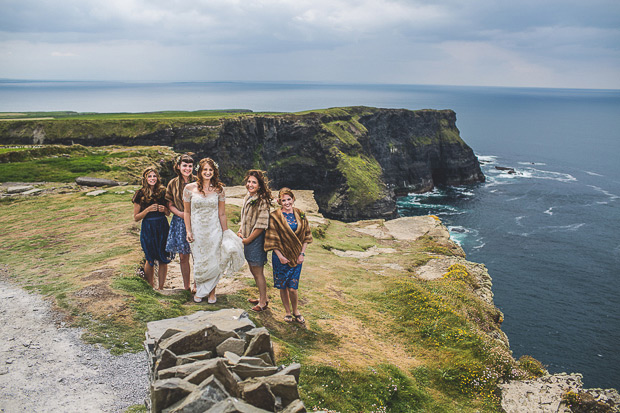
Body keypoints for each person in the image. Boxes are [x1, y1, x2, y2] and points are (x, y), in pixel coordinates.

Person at [183, 158, 244, 303]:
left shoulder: (219, 190)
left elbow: (222, 213)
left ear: (214, 171)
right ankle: (200, 290)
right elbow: (187, 212)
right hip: (197, 231)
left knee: (214, 260)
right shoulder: (189, 189)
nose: (208, 172)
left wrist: (226, 232)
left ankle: (211, 292)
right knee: (199, 260)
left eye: (210, 170)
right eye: (205, 170)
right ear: (200, 171)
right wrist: (188, 231)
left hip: (214, 229)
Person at [264, 188, 313, 323]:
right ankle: (287, 312)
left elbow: (306, 236)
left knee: (293, 288)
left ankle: (296, 310)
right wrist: (280, 256)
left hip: (297, 256)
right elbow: (272, 238)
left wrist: (302, 254)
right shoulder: (275, 216)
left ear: (293, 199)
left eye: (289, 199)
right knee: (283, 286)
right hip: (280, 257)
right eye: (283, 200)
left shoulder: (300, 214)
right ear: (279, 201)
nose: (286, 203)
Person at [237, 170, 272, 312]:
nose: (250, 185)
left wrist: (248, 240)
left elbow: (260, 226)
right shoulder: (248, 196)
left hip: (256, 241)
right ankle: (262, 296)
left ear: (259, 185)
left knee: (258, 272)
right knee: (253, 269)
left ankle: (263, 302)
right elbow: (245, 218)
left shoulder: (262, 200)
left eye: (254, 182)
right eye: (249, 181)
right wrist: (240, 230)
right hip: (247, 238)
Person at [132, 167, 172, 289]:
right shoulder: (140, 194)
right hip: (148, 227)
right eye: (149, 176)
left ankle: (161, 287)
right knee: (149, 257)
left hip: (162, 226)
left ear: (157, 178)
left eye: (154, 176)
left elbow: (168, 213)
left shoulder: (163, 192)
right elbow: (136, 217)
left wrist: (164, 209)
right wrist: (147, 210)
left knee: (163, 258)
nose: (152, 179)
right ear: (145, 178)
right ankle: (151, 286)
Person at [165, 153, 195, 292]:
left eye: (190, 166)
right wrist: (180, 214)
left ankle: (198, 284)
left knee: (197, 254)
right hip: (180, 220)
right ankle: (186, 286)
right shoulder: (172, 183)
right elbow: (169, 203)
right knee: (183, 256)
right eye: (184, 165)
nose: (187, 168)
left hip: (196, 221)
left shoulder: (198, 181)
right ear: (178, 166)